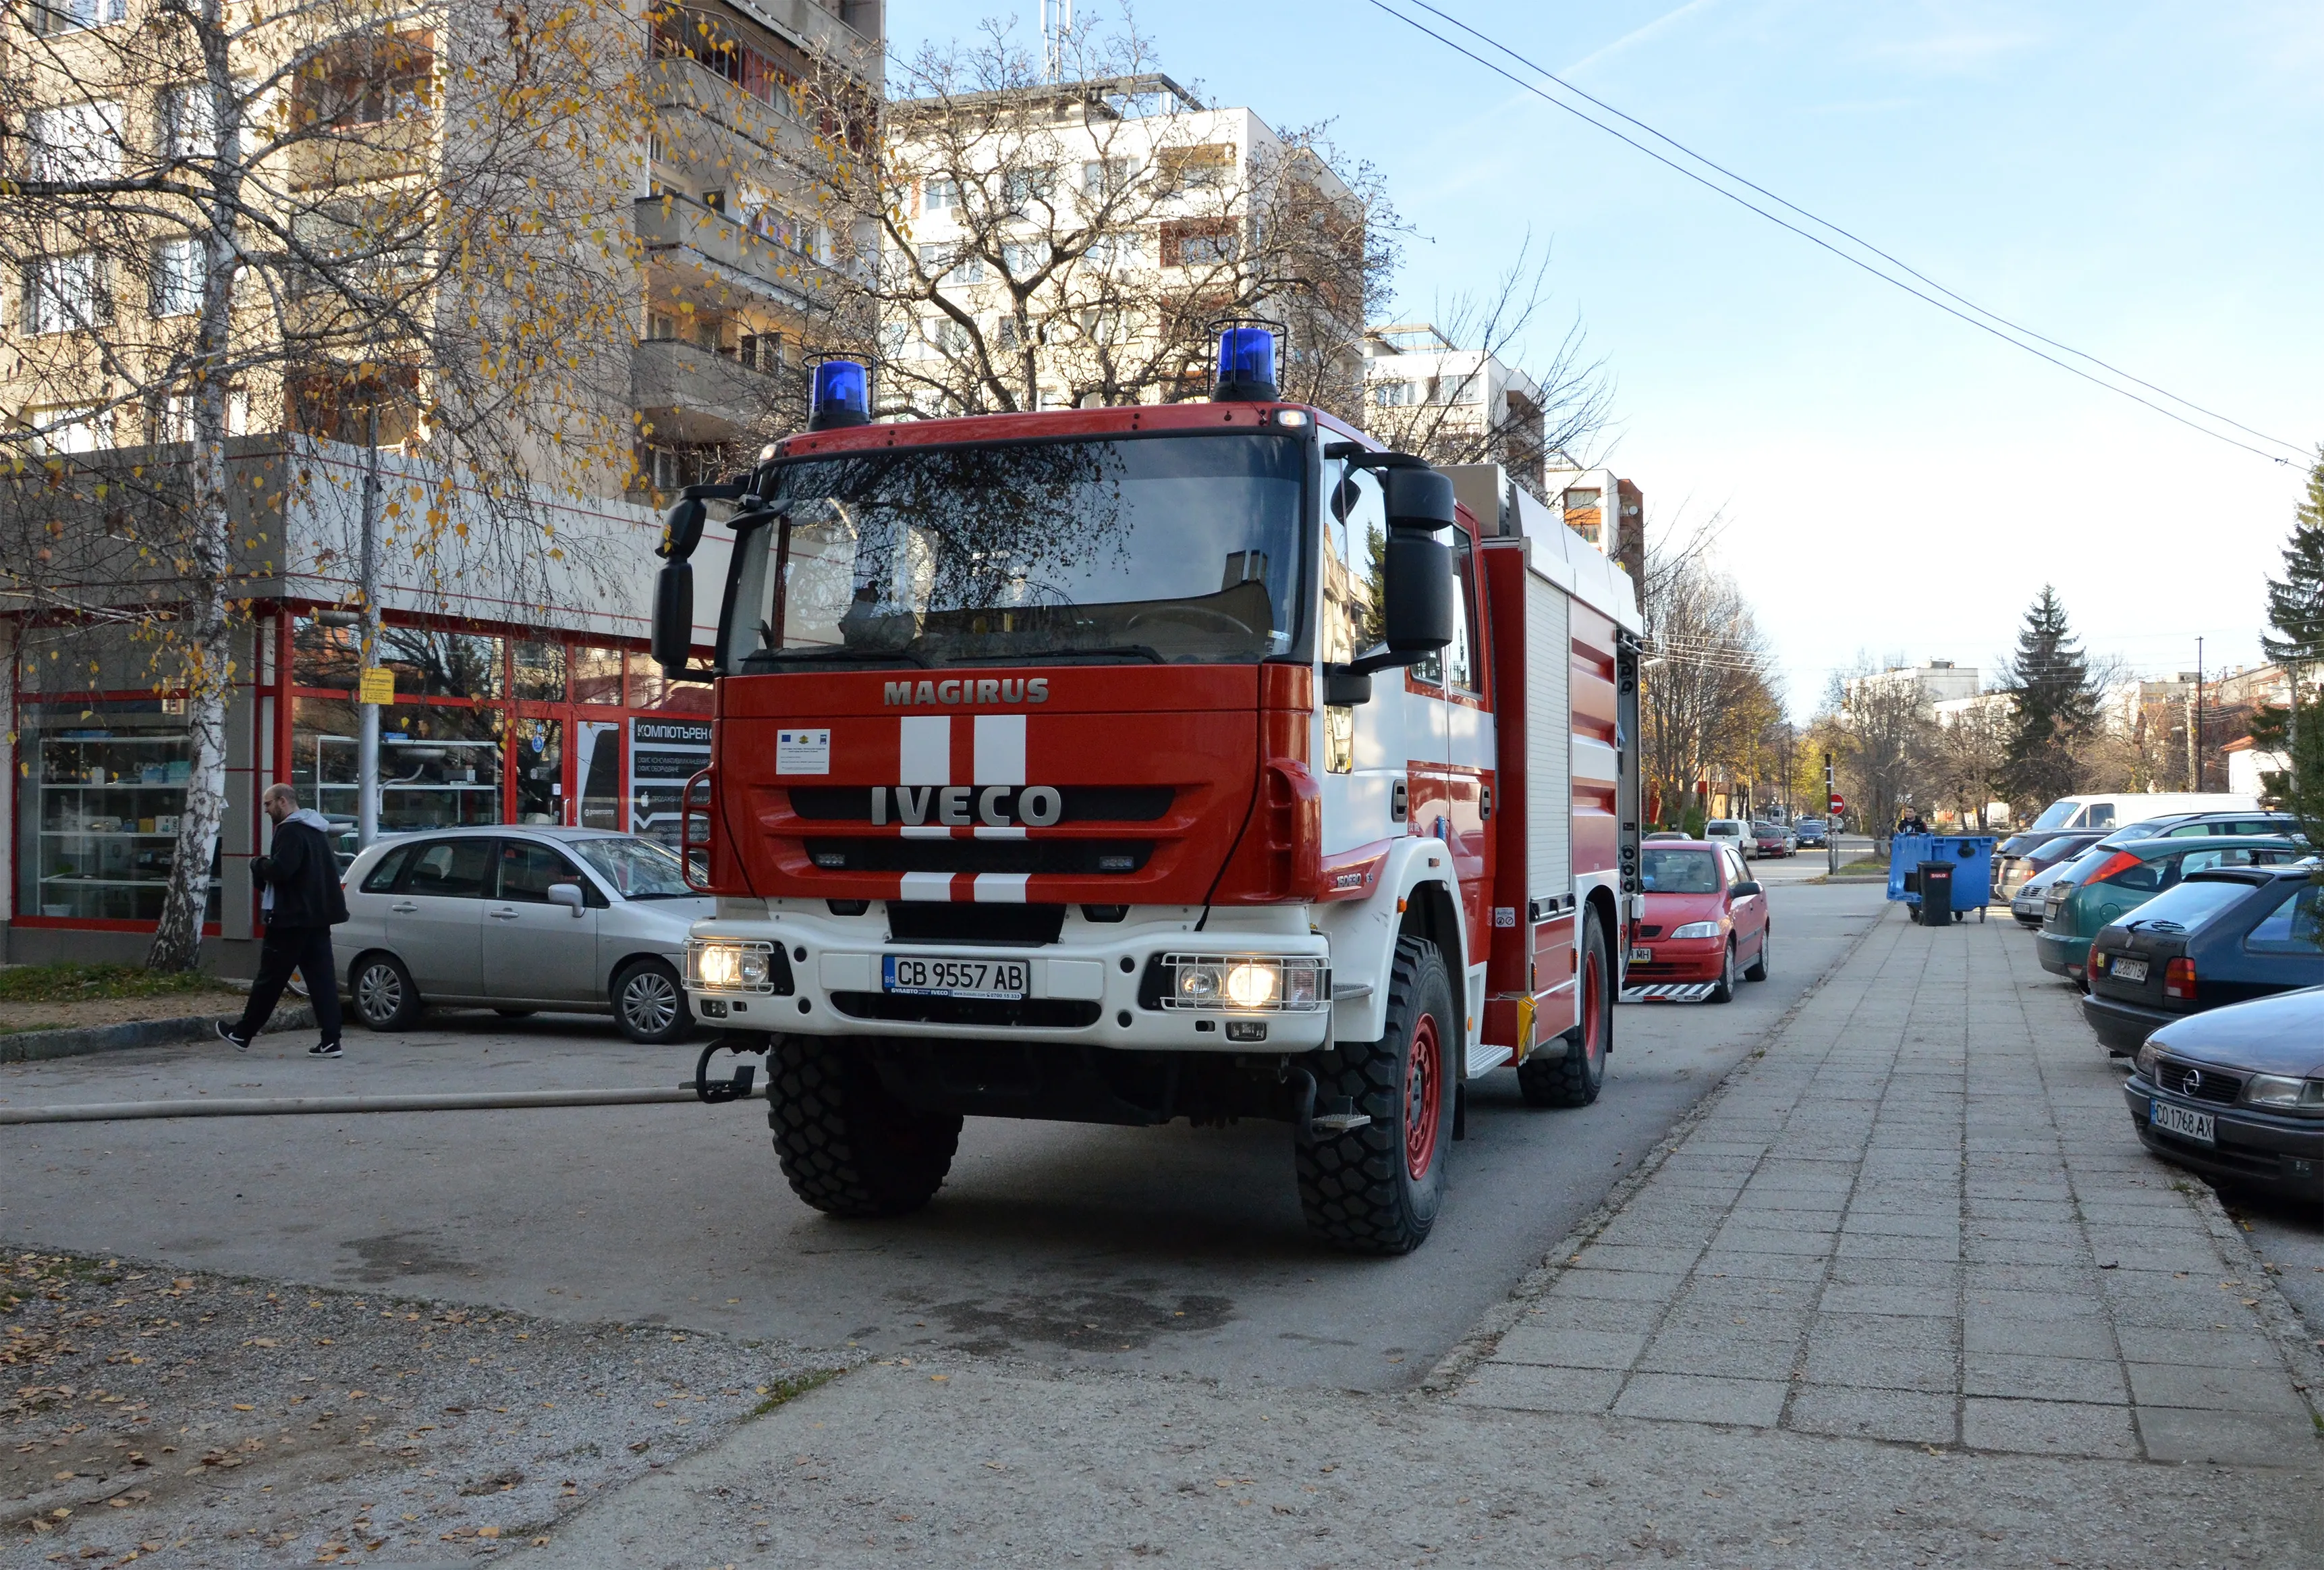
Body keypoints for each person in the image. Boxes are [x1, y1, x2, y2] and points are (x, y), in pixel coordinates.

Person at [218, 784, 348, 1057]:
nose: (266, 810)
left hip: (291, 919)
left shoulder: (290, 831)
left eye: (268, 804)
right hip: (317, 918)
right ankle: (331, 1040)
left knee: (270, 979)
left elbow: (282, 870)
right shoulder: (316, 829)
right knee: (322, 980)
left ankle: (243, 1034)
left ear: (282, 802)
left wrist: (258, 865)